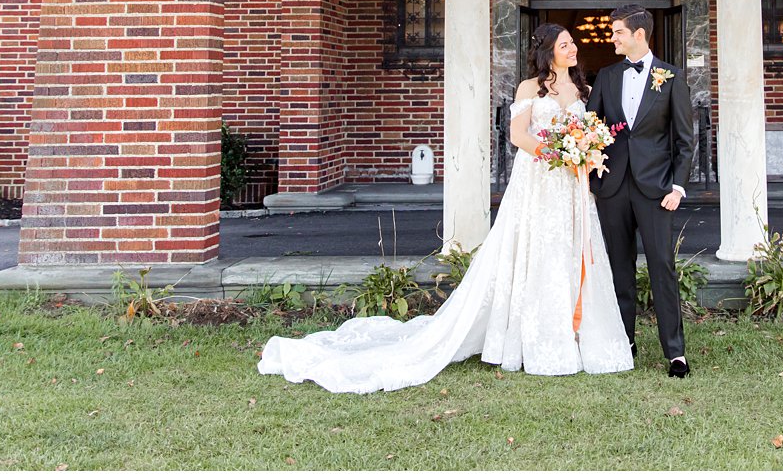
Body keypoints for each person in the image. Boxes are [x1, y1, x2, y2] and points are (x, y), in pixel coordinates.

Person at [256, 24, 633, 393]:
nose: (573, 48)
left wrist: (582, 153)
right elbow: (519, 136)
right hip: (539, 180)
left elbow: (588, 130)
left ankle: (578, 331)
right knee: (539, 252)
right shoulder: (530, 87)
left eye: (572, 44)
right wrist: (559, 154)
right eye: (565, 43)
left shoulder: (582, 88)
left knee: (569, 250)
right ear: (548, 49)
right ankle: (533, 338)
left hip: (571, 186)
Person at [584, 4, 697, 379]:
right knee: (619, 268)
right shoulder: (606, 76)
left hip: (656, 190)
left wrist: (678, 186)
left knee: (662, 266)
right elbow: (591, 128)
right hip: (613, 187)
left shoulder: (672, 77)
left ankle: (675, 353)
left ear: (638, 34)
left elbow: (684, 140)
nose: (611, 37)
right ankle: (624, 341)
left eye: (617, 31)